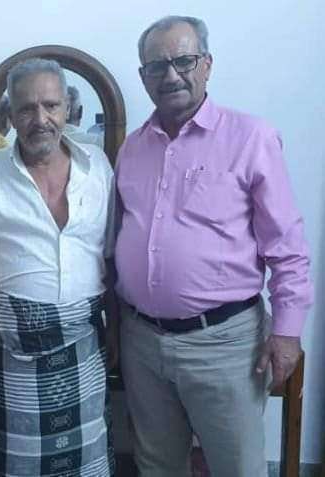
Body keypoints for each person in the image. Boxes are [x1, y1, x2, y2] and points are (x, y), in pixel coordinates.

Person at [115, 15, 313, 477]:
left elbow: (287, 246)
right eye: (156, 66)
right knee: (156, 464)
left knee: (235, 467)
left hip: (224, 343)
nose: (170, 75)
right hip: (142, 340)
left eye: (183, 61)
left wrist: (287, 333)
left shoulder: (251, 137)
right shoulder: (132, 148)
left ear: (207, 64)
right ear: (143, 76)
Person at [0, 58, 116, 477]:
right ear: (11, 116)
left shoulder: (97, 167)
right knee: (20, 462)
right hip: (15, 351)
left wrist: (116, 331)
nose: (40, 119)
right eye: (27, 108)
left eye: (50, 105)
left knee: (87, 460)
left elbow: (109, 255)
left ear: (67, 108)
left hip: (85, 343)